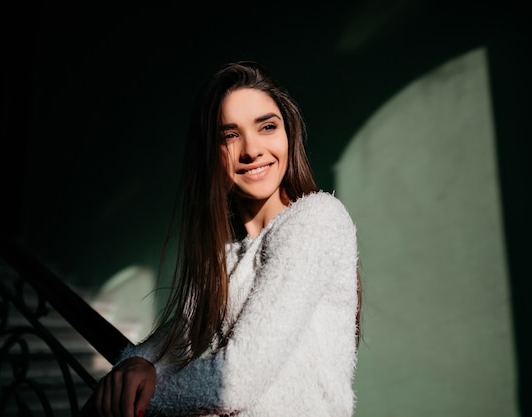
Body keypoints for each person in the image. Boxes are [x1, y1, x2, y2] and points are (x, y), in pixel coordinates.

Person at [93, 61, 361, 417]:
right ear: (211, 154)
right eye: (229, 135)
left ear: (288, 135)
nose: (252, 150)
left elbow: (235, 381)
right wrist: (134, 364)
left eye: (267, 126)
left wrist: (142, 392)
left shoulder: (316, 218)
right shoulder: (224, 255)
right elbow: (173, 342)